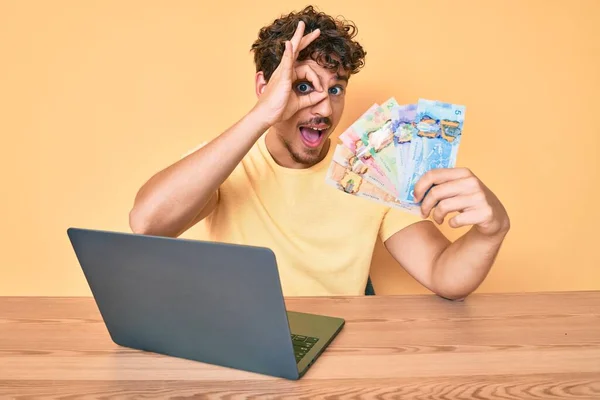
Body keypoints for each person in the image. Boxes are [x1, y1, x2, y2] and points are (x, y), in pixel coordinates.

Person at [128, 6, 510, 299]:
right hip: (242, 344)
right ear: (265, 86)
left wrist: (492, 231)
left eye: (335, 89)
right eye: (302, 86)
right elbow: (148, 223)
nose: (325, 109)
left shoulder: (372, 171)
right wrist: (261, 116)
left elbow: (444, 273)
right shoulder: (227, 162)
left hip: (338, 351)